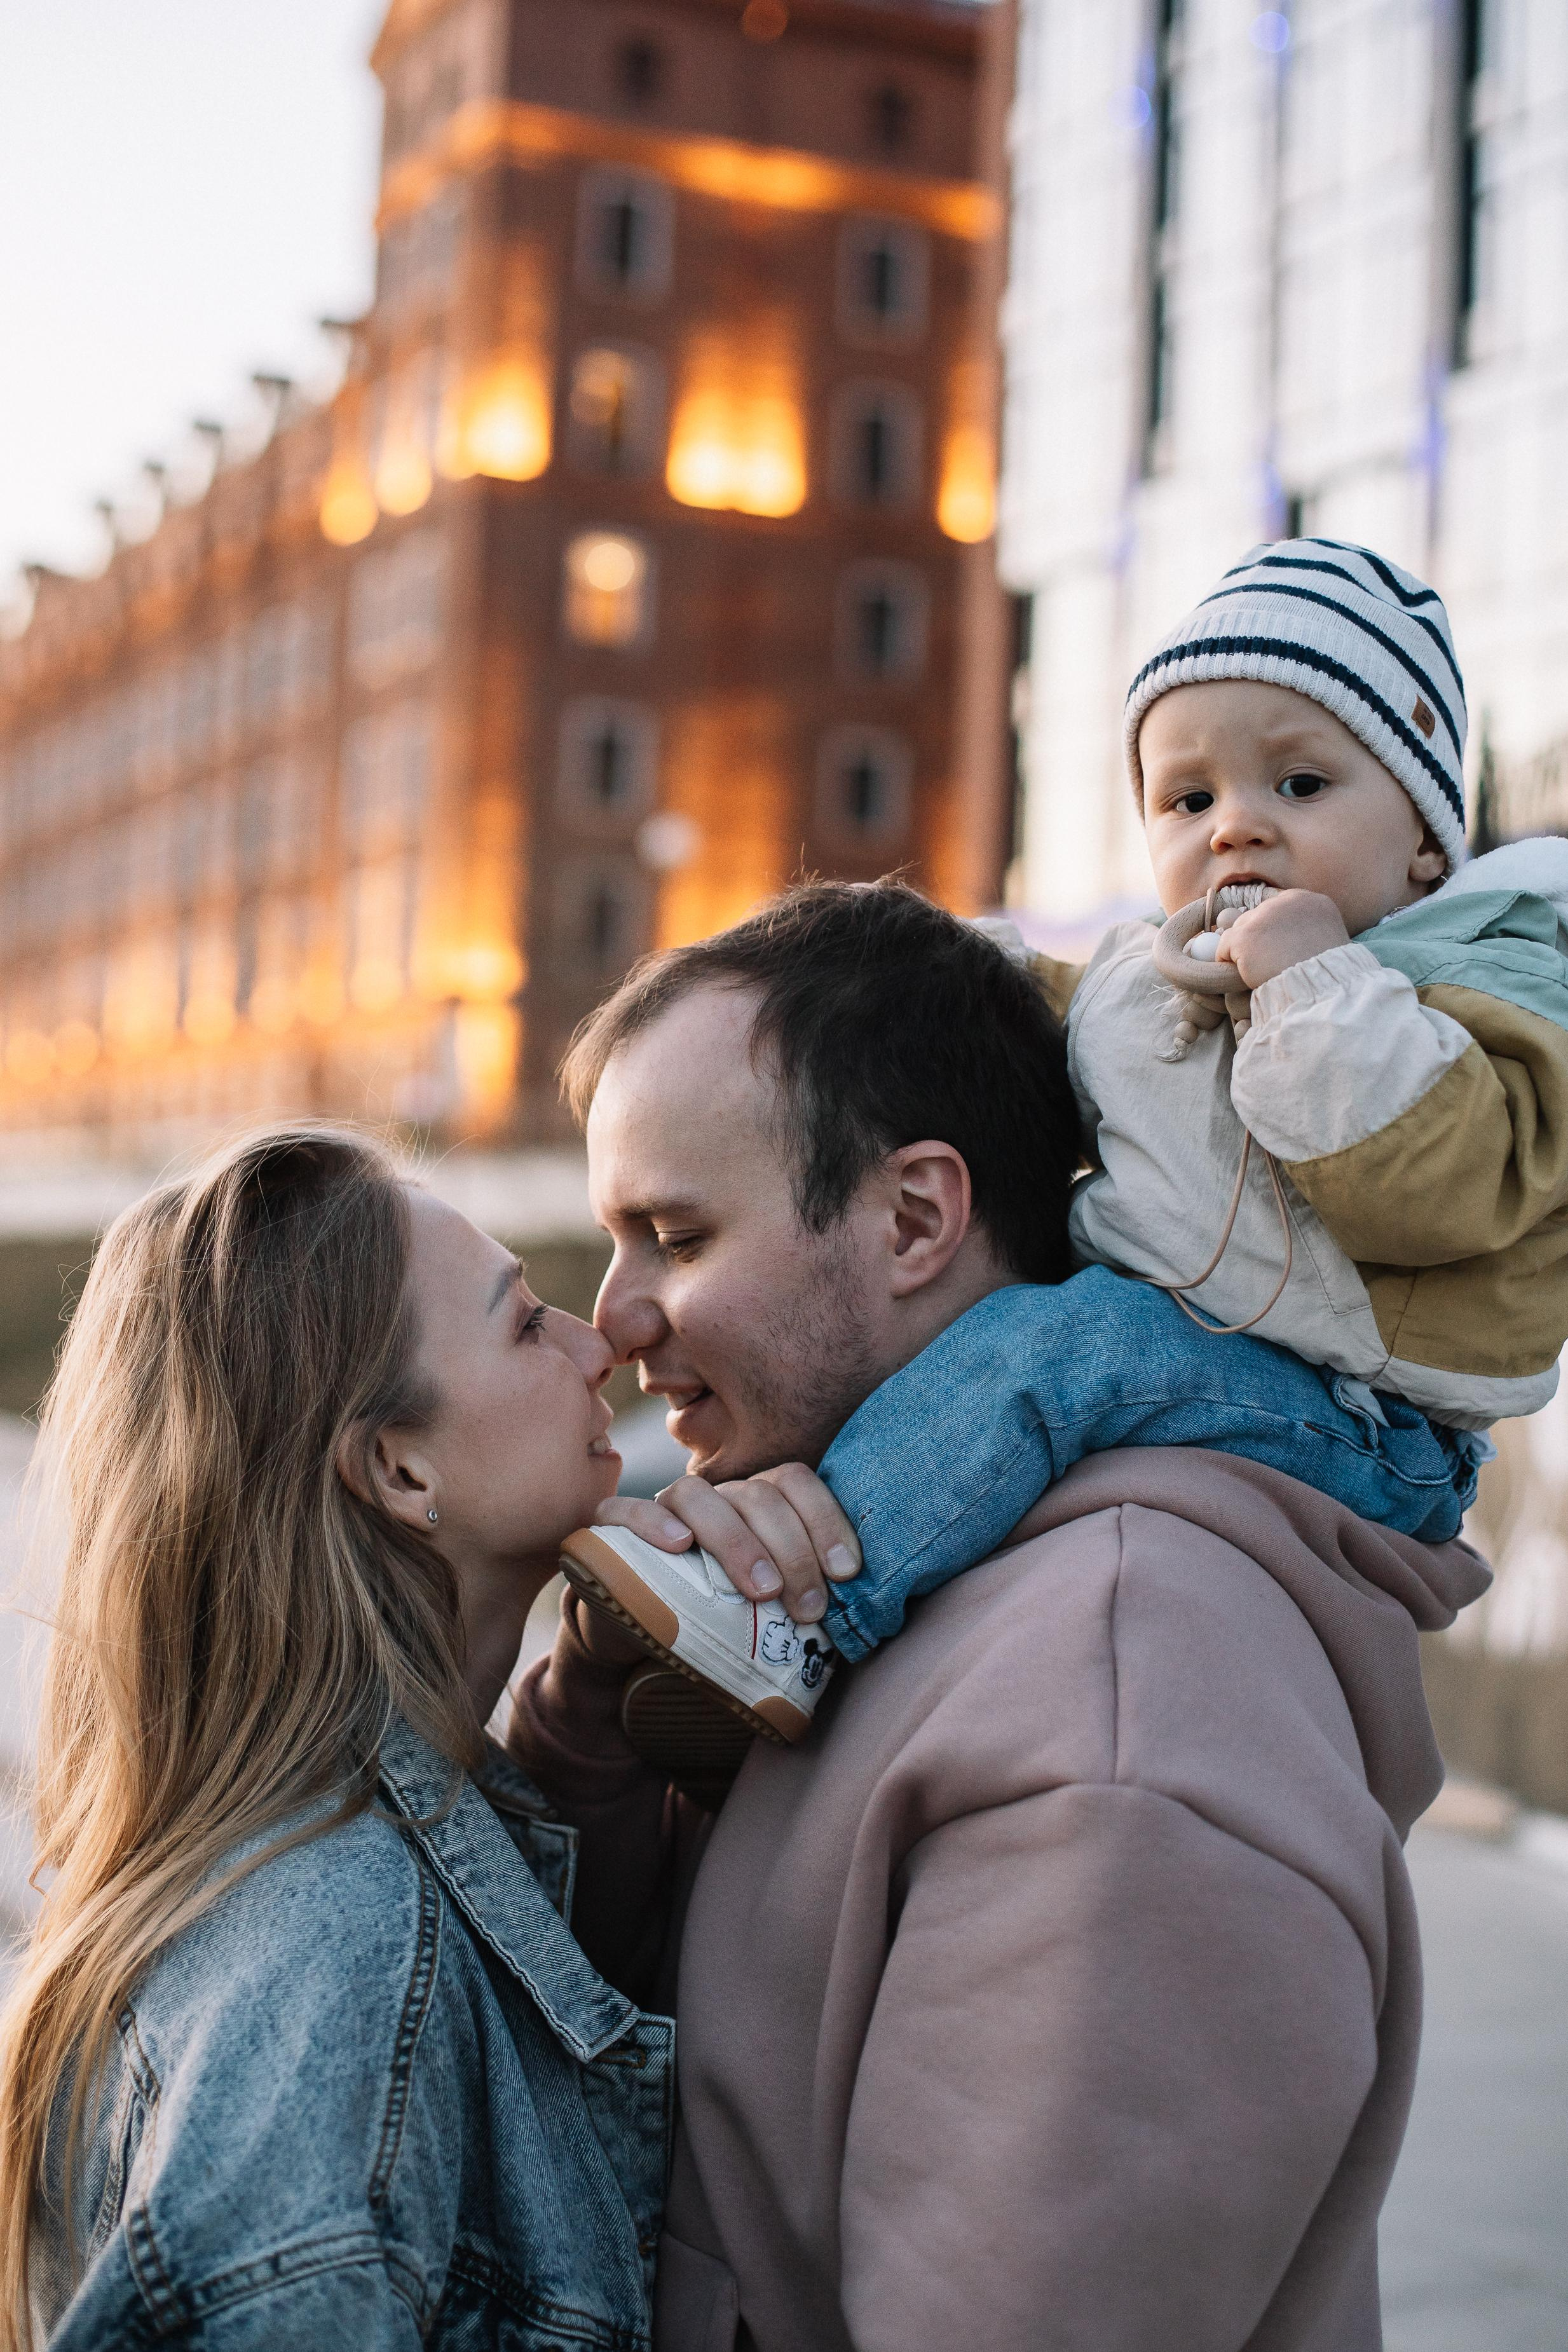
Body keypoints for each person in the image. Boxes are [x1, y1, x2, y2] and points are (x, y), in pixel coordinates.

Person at [506, 880, 1490, 2350]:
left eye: (675, 1234)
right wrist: (598, 1728)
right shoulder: (884, 1581)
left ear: (915, 1217)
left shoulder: (1117, 1708)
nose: (613, 1320)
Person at [552, 539, 1568, 1733]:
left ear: (1426, 845)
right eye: (1190, 800)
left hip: (1368, 1423)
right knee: (1051, 1340)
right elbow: (1063, 1010)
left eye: (1299, 786)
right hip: (1225, 1341)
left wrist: (1311, 990)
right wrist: (917, 951)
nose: (1235, 829)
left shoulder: (1475, 995)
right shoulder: (1179, 974)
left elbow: (1433, 1192)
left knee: (1055, 1353)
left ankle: (807, 1610)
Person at [0, 1126, 671, 2352]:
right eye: (526, 1323)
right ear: (400, 1470)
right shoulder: (340, 1959)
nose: (598, 1340)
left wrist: (601, 1689)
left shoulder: (314, 1878)